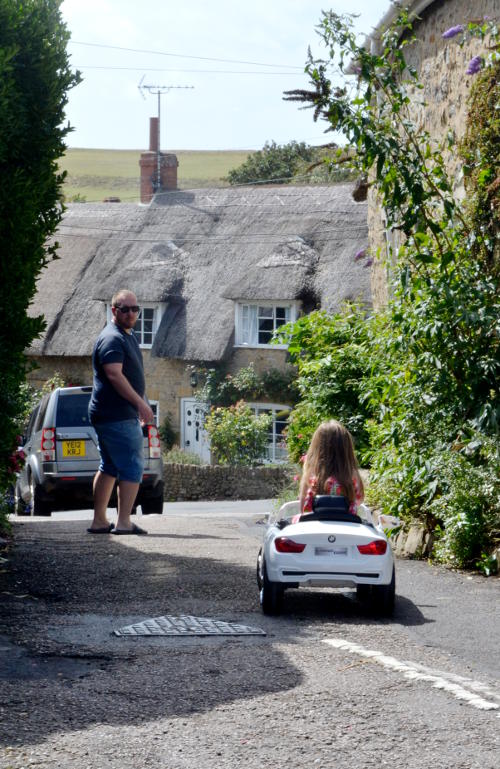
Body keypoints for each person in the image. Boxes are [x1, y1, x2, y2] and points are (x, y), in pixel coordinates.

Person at [87, 289, 155, 535]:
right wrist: (140, 403)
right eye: (124, 309)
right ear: (114, 310)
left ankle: (100, 521)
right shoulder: (112, 338)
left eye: (135, 309)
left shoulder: (128, 335)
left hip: (111, 413)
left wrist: (139, 401)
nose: (131, 313)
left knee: (109, 466)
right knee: (132, 466)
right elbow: (114, 374)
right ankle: (124, 522)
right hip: (116, 414)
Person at [296, 420, 364, 520]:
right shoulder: (352, 476)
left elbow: (302, 508)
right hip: (347, 527)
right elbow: (359, 500)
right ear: (346, 450)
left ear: (317, 449)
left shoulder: (311, 475)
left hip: (313, 526)